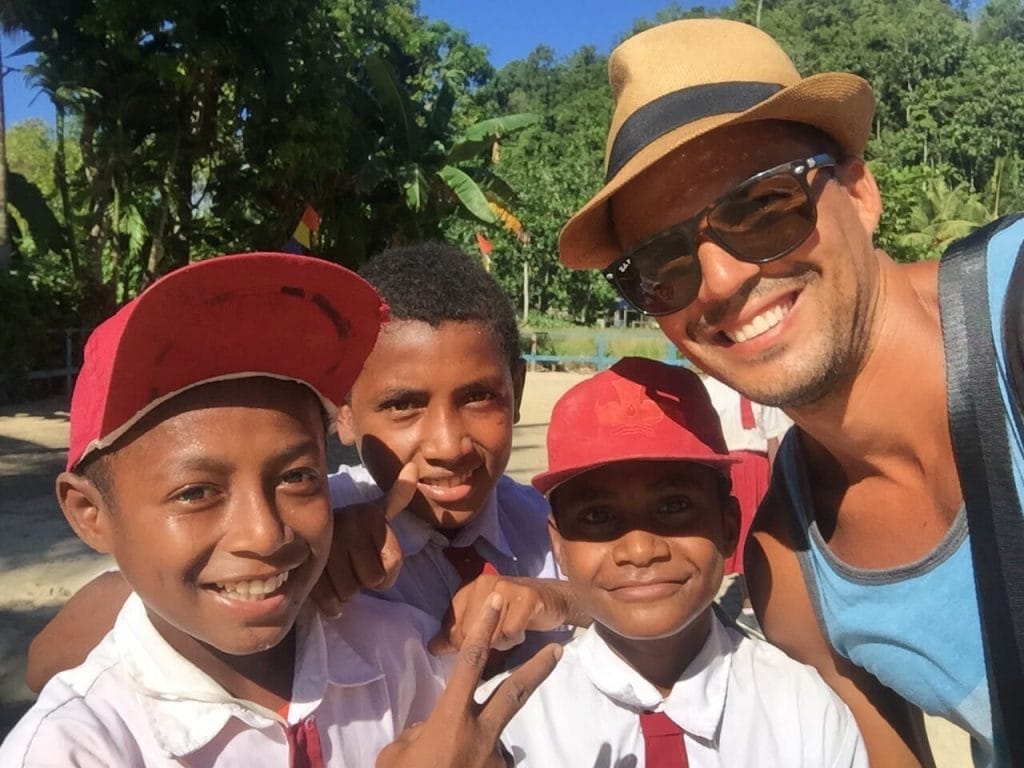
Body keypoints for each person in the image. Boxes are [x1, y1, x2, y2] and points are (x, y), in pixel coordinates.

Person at [556, 17, 1009, 767]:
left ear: (860, 191)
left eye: (763, 207)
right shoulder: (791, 564)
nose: (722, 280)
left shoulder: (1013, 314)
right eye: (665, 262)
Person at [1, 251, 561, 768]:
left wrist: (561, 598)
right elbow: (62, 650)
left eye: (296, 478)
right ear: (88, 512)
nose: (265, 533)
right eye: (197, 492)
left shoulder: (400, 656)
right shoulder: (73, 748)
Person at [480, 357, 867, 767]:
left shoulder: (805, 713)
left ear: (729, 525)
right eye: (597, 516)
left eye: (674, 505)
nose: (641, 549)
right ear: (558, 544)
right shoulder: (504, 728)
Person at [700, 374, 791, 576]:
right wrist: (779, 480)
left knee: (731, 529)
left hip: (727, 466)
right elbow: (773, 440)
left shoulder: (707, 388)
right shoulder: (761, 387)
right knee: (755, 531)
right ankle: (749, 601)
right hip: (750, 467)